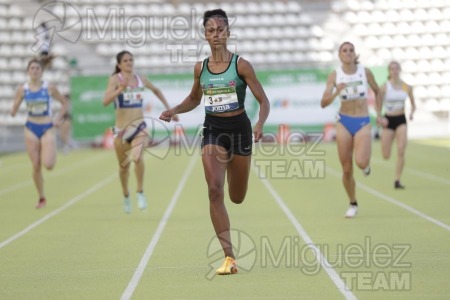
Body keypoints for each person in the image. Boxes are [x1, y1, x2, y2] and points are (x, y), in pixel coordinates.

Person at [159, 9, 270, 275]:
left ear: (228, 33)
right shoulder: (200, 67)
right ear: (205, 35)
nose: (216, 34)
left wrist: (259, 124)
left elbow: (263, 101)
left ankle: (235, 168)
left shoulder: (241, 65)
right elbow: (194, 99)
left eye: (220, 29)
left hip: (240, 131)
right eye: (211, 30)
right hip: (213, 130)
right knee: (214, 191)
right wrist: (174, 109)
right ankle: (229, 258)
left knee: (237, 196)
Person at [103, 50, 177, 214]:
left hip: (140, 127)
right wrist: (119, 90)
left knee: (137, 157)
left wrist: (169, 109)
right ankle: (126, 195)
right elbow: (105, 101)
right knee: (123, 168)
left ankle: (140, 191)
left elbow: (156, 90)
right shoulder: (115, 80)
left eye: (131, 59)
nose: (129, 62)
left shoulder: (140, 79)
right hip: (121, 131)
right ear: (119, 64)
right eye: (126, 60)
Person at [320, 41, 381, 218]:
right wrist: (336, 92)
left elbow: (378, 91)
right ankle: (353, 202)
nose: (348, 53)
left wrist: (378, 114)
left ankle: (366, 165)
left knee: (361, 162)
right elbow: (324, 103)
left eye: (351, 50)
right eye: (344, 50)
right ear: (339, 55)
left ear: (355, 54)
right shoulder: (334, 75)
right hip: (344, 121)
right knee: (347, 168)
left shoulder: (365, 72)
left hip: (362, 120)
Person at [10, 57, 68, 208]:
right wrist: (13, 110)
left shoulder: (49, 87)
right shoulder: (23, 89)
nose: (35, 71)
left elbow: (64, 103)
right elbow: (14, 108)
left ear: (42, 72)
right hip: (31, 128)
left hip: (47, 127)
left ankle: (49, 149)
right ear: (28, 71)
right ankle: (41, 197)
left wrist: (58, 118)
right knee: (35, 165)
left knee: (48, 165)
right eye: (32, 68)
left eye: (37, 68)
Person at [379, 61, 416, 189]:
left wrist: (411, 112)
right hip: (388, 120)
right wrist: (379, 116)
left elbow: (413, 102)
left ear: (399, 70)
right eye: (392, 69)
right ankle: (387, 142)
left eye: (396, 68)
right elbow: (377, 103)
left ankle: (397, 179)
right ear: (389, 71)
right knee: (386, 155)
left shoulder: (406, 87)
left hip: (401, 119)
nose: (394, 71)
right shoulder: (385, 87)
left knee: (401, 150)